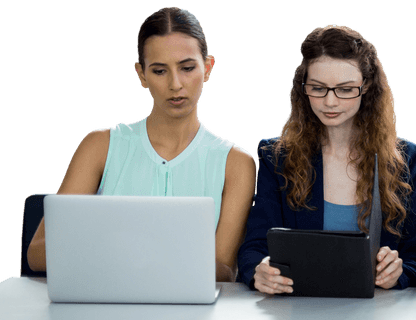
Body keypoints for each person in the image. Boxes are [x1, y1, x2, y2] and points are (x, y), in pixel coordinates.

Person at [25, 6, 255, 282]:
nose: (175, 84)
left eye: (187, 68)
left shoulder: (236, 164)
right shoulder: (100, 146)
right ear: (141, 75)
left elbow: (222, 269)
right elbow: (38, 253)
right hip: (105, 310)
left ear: (207, 68)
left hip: (194, 318)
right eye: (159, 71)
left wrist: (117, 252)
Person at [237, 25, 416, 294]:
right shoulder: (276, 159)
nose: (330, 102)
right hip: (298, 315)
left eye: (345, 90)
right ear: (303, 88)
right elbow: (254, 247)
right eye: (318, 88)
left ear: (367, 86)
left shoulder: (408, 160)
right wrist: (259, 271)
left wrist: (400, 272)